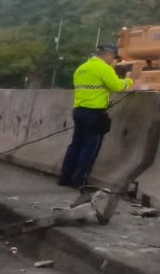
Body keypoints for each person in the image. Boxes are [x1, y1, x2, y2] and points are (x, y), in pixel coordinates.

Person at [57, 44, 133, 189]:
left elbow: (93, 89)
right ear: (109, 55)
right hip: (94, 114)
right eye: (113, 58)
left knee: (75, 145)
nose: (113, 61)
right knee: (90, 147)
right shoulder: (104, 68)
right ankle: (79, 181)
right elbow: (117, 86)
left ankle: (64, 177)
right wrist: (130, 80)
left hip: (79, 111)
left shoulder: (82, 68)